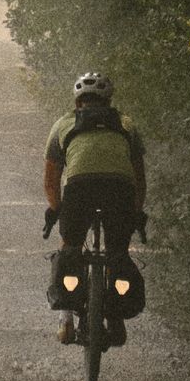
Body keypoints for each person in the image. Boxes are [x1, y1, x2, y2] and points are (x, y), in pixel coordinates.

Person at [43, 71, 146, 347]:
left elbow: (51, 179)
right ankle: (115, 318)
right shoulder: (127, 124)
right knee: (117, 253)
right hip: (119, 190)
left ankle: (66, 318)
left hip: (80, 189)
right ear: (109, 100)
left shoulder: (63, 124)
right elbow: (138, 177)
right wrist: (135, 212)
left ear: (78, 102)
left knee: (70, 248)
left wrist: (57, 209)